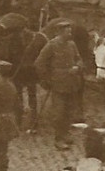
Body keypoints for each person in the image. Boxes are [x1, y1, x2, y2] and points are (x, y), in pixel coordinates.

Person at [34, 19, 83, 150]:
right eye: (68, 31)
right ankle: (58, 139)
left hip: (72, 84)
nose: (70, 33)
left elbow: (79, 59)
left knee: (69, 111)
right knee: (59, 112)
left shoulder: (72, 44)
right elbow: (39, 63)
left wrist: (77, 67)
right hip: (58, 84)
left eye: (70, 31)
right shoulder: (52, 45)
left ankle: (65, 134)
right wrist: (47, 80)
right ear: (60, 32)